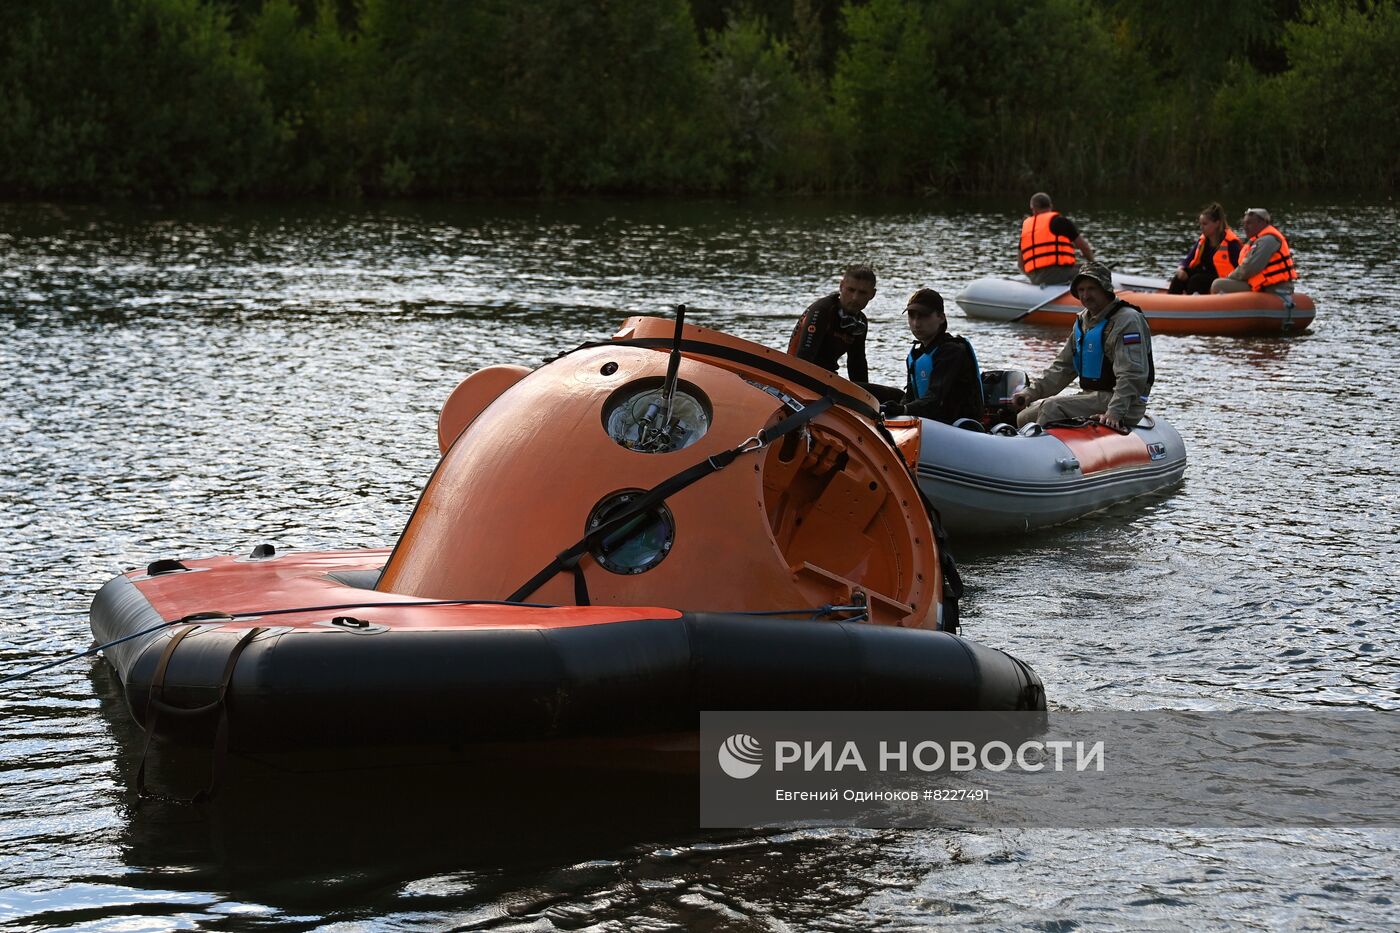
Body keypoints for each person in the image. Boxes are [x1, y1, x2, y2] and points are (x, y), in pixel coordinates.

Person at [1011, 261, 1155, 431]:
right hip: (1092, 397)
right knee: (1023, 418)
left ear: (1105, 289)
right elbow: (1062, 368)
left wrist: (1114, 413)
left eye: (1092, 289)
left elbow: (1132, 375)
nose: (1086, 295)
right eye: (1081, 290)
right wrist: (1030, 393)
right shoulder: (1083, 321)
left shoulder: (1127, 321)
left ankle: (1037, 452)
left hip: (1126, 404)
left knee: (1051, 407)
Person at [878, 288, 984, 425]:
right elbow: (910, 396)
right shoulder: (917, 354)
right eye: (912, 316)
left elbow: (934, 399)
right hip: (931, 421)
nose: (916, 323)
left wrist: (903, 410)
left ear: (941, 318)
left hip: (959, 426)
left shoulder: (952, 352)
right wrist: (895, 411)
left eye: (923, 316)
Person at [788, 265, 876, 382]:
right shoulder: (823, 310)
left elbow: (857, 365)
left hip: (829, 378)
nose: (855, 298)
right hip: (799, 375)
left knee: (894, 395)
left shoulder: (860, 322)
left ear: (872, 294)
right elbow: (803, 359)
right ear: (841, 286)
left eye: (862, 293)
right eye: (851, 290)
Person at [1210, 208, 1296, 295]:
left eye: (1249, 223)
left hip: (1274, 286)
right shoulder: (1258, 240)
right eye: (1244, 223)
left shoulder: (1268, 240)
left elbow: (1250, 268)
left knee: (1218, 285)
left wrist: (1230, 277)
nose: (1245, 227)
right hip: (1262, 284)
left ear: (1262, 223)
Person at [1019, 192, 1095, 286]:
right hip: (1058, 276)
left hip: (1035, 278)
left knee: (1080, 267)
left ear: (1033, 209)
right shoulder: (1060, 221)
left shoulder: (1026, 229)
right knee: (1091, 271)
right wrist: (1094, 264)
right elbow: (1084, 248)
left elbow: (1020, 264)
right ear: (1051, 206)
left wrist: (1033, 277)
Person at [1169, 201, 1243, 295]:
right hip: (1205, 275)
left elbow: (1241, 268)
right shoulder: (1203, 241)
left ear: (1217, 223)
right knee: (1180, 277)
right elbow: (1187, 260)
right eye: (1200, 224)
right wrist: (1181, 269)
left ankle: (1192, 305)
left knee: (1197, 280)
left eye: (1205, 224)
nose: (1201, 227)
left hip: (1222, 279)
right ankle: (1169, 302)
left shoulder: (1231, 244)